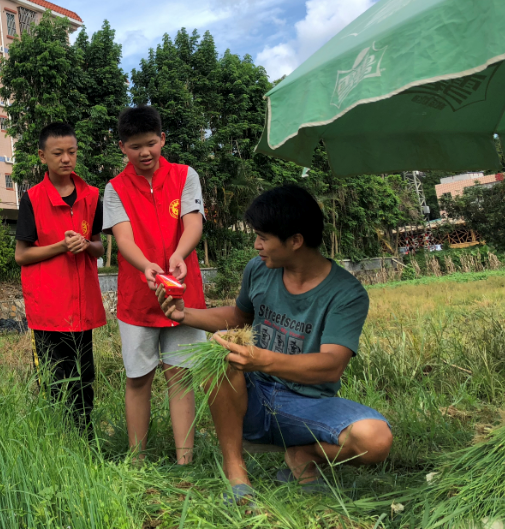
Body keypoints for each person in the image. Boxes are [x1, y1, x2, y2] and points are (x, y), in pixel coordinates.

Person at [157, 185, 393, 502]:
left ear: (295, 241)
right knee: (218, 357)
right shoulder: (260, 269)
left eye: (263, 238)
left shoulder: (345, 293)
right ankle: (236, 472)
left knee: (375, 440)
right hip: (252, 396)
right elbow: (241, 316)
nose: (256, 245)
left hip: (307, 404)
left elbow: (331, 365)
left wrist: (262, 360)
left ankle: (303, 454)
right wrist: (184, 314)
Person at [103, 105, 207, 464]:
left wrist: (179, 254)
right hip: (138, 298)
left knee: (180, 376)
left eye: (150, 143)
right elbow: (123, 237)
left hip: (184, 293)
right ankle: (137, 459)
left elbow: (193, 222)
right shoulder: (115, 188)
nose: (144, 153)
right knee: (138, 378)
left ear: (162, 139)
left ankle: (185, 460)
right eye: (135, 146)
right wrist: (147, 265)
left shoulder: (185, 175)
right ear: (122, 147)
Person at [15, 122, 106, 436]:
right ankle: (56, 443)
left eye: (72, 152)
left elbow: (99, 245)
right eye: (58, 153)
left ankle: (86, 439)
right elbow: (21, 255)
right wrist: (60, 246)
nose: (66, 159)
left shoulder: (92, 196)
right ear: (42, 156)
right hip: (47, 310)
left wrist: (86, 244)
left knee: (84, 377)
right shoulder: (32, 199)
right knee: (52, 381)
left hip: (81, 308)